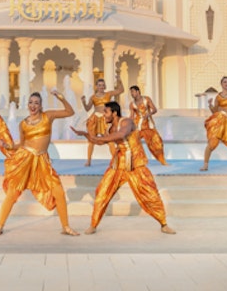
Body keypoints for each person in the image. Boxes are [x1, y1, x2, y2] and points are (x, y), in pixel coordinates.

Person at [74, 101, 175, 234]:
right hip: (118, 164)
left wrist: (100, 138)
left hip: (135, 165)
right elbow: (99, 141)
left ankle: (163, 224)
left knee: (150, 195)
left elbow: (121, 134)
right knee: (102, 193)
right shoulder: (109, 128)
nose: (104, 115)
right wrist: (86, 135)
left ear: (114, 113)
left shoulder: (126, 122)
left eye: (106, 112)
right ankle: (93, 225)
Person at [0, 89, 79, 236]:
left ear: (40, 106)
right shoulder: (23, 124)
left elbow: (70, 112)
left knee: (58, 191)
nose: (33, 105)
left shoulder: (48, 116)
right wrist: (7, 146)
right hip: (25, 159)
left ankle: (66, 227)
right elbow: (21, 144)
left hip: (42, 161)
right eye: (31, 103)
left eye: (36, 103)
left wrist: (61, 97)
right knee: (13, 193)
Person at [81, 76, 124, 166]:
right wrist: (83, 102)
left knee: (110, 141)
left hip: (105, 119)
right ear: (96, 86)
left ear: (105, 86)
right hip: (95, 119)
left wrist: (120, 81)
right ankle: (88, 161)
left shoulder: (108, 94)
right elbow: (87, 108)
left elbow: (121, 90)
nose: (101, 87)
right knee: (91, 140)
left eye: (103, 85)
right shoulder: (93, 97)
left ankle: (115, 161)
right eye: (99, 85)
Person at [128, 84, 167, 166]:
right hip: (138, 126)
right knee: (133, 142)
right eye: (131, 92)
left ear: (138, 92)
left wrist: (148, 115)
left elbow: (154, 109)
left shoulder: (146, 99)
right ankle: (137, 162)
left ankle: (162, 160)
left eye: (133, 92)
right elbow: (131, 116)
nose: (131, 94)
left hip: (148, 125)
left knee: (158, 143)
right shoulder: (132, 104)